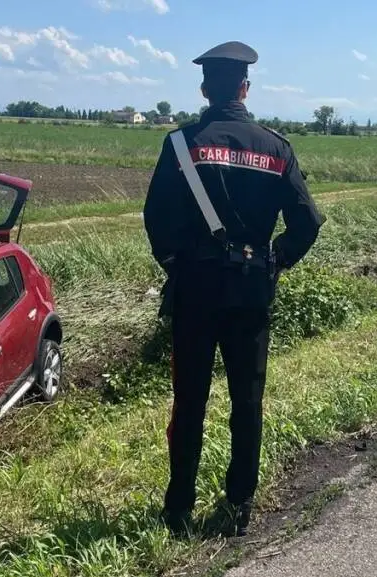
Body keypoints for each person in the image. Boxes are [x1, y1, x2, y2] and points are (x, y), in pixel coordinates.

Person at [143, 40, 325, 537]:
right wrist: (274, 260)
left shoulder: (181, 144)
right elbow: (308, 222)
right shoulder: (276, 148)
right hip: (251, 291)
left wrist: (176, 264)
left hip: (196, 291)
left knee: (190, 401)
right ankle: (238, 507)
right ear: (245, 87)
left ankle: (178, 509)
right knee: (247, 401)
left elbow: (156, 219)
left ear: (205, 88)